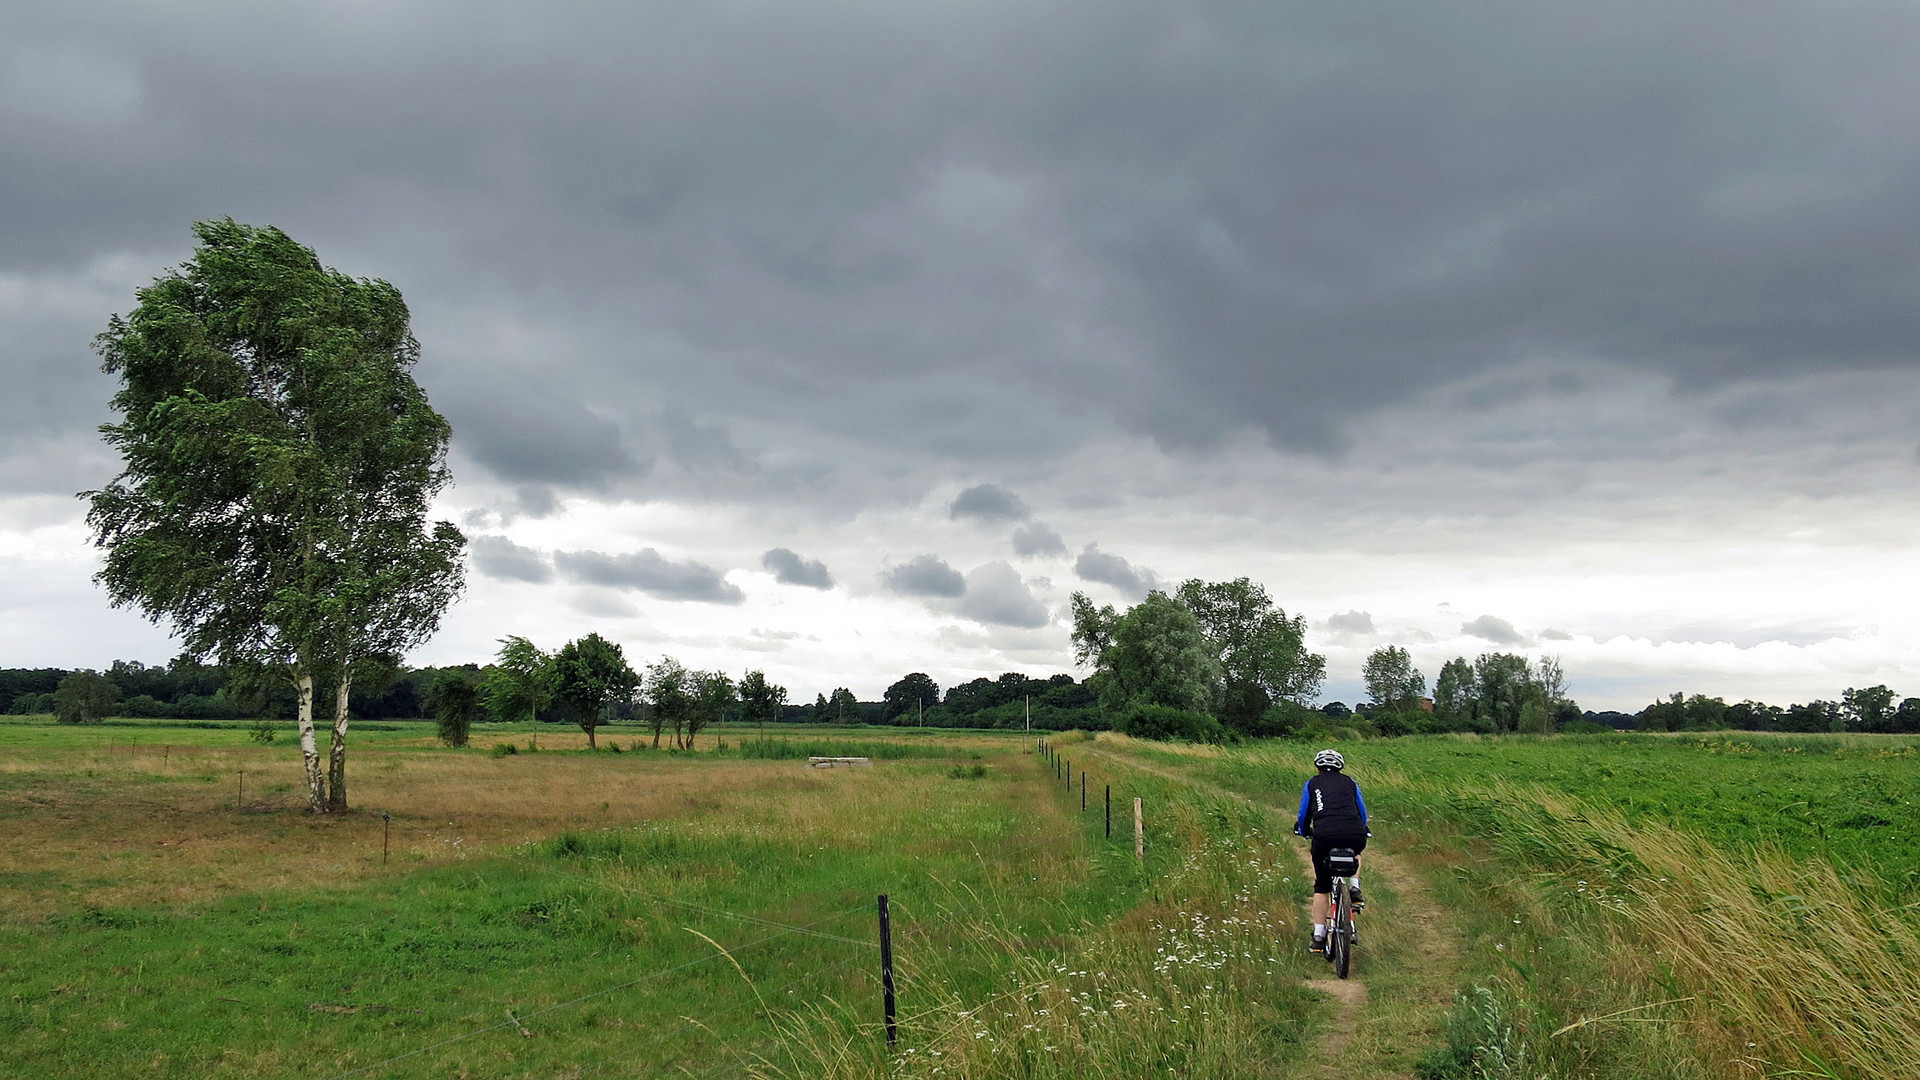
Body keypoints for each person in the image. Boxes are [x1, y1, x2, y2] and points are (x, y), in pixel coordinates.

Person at [1293, 747, 1369, 954]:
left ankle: (1318, 936)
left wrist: (1303, 830)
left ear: (1318, 768)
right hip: (1354, 832)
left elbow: (1304, 812)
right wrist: (1363, 828)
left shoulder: (1312, 783)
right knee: (1356, 852)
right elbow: (1362, 811)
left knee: (1322, 885)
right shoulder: (1350, 783)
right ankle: (1354, 887)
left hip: (1324, 835)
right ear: (1340, 768)